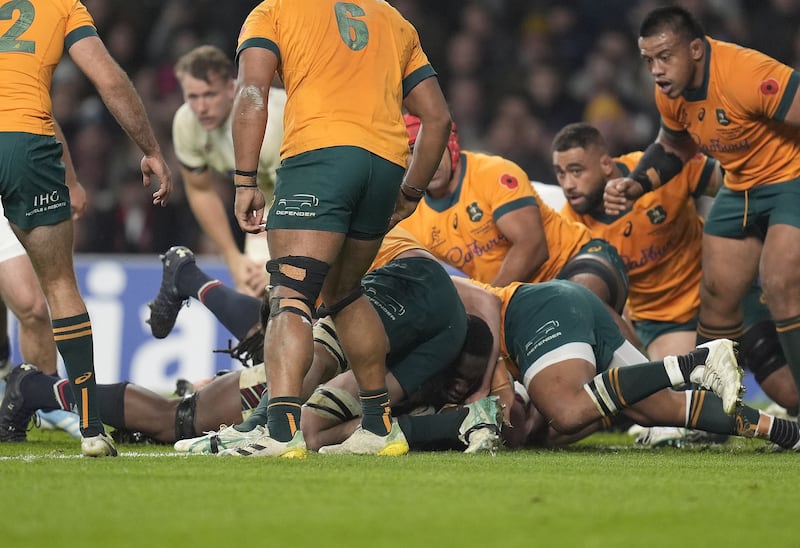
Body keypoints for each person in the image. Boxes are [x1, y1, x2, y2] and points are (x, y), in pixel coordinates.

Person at [229, 0, 451, 458]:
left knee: (290, 293)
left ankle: (281, 431)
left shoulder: (274, 11)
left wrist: (245, 180)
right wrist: (410, 193)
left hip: (320, 157)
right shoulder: (393, 19)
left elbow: (253, 92)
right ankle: (378, 426)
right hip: (385, 164)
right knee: (345, 292)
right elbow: (438, 118)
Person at [603, 5, 800, 413]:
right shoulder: (670, 92)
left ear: (695, 49)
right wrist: (637, 184)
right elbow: (675, 147)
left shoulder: (746, 74)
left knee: (780, 284)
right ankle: (710, 415)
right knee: (716, 297)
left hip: (789, 179)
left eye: (665, 57)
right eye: (649, 60)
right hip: (739, 185)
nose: (656, 69)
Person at [0, 1, 172, 457]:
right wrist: (151, 147)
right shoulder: (61, 6)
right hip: (25, 142)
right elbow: (109, 78)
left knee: (29, 298)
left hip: (25, 132)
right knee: (58, 284)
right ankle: (92, 428)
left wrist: (73, 178)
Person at [453, 277, 800, 452]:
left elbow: (484, 303)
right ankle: (787, 433)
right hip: (565, 303)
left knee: (568, 411)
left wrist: (484, 389)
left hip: (534, 312)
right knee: (658, 409)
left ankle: (695, 361)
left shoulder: (421, 281)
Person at [398, 114, 631, 316]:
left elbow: (533, 246)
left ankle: (642, 365)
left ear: (451, 143)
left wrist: (487, 300)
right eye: (415, 153)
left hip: (574, 259)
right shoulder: (409, 216)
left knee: (576, 299)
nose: (428, 160)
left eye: (434, 147)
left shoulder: (492, 173)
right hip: (518, 298)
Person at [168, 45, 284, 303]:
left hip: (304, 198)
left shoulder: (273, 119)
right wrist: (232, 257)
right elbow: (200, 191)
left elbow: (301, 193)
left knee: (291, 292)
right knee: (253, 293)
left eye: (209, 95)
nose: (201, 107)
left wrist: (278, 263)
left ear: (232, 89)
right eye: (193, 97)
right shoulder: (186, 124)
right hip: (264, 203)